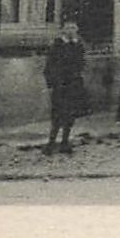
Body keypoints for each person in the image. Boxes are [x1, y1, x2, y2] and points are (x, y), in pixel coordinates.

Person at [42, 18, 90, 155]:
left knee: (71, 114)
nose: (71, 31)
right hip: (60, 84)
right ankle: (51, 142)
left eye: (73, 28)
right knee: (57, 114)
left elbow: (81, 64)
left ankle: (65, 141)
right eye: (68, 28)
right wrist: (52, 82)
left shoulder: (78, 46)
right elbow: (49, 65)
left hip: (73, 84)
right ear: (63, 30)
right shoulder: (57, 45)